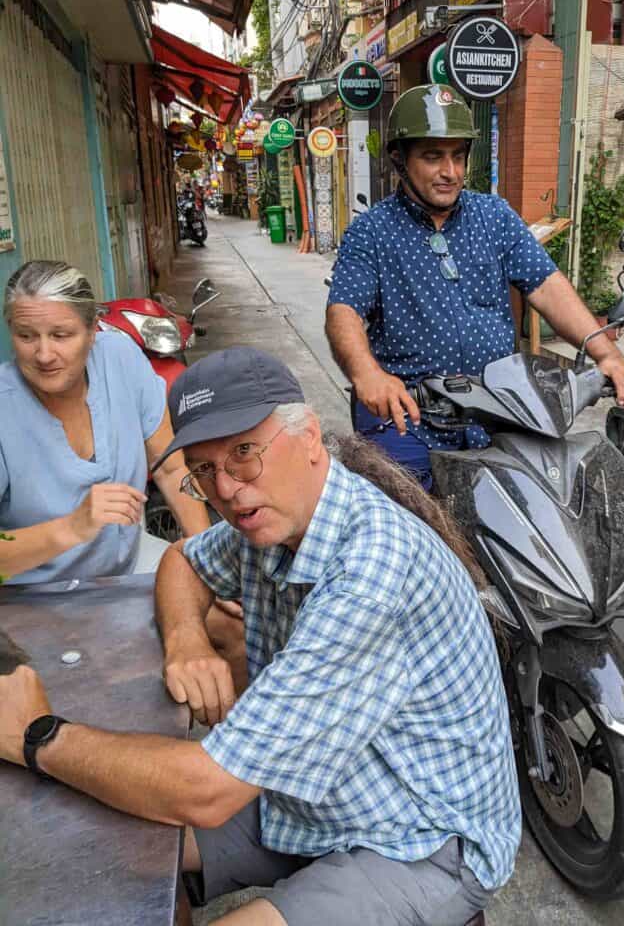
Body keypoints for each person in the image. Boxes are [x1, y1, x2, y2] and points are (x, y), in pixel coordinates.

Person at [0, 347, 520, 926]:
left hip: (420, 839)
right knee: (111, 844)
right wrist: (188, 642)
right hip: (321, 790)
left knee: (142, 809)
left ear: (310, 439)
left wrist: (37, 734)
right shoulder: (274, 519)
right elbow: (182, 561)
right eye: (204, 470)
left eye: (245, 453)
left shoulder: (372, 573)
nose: (227, 489)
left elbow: (207, 789)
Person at [325, 83, 624, 486]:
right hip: (407, 417)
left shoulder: (492, 215)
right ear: (399, 159)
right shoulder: (371, 231)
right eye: (433, 157)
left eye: (458, 156)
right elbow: (344, 311)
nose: (451, 172)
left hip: (498, 409)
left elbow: (546, 285)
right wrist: (366, 373)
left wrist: (606, 353)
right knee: (414, 530)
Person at [0, 260, 210, 583]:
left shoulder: (121, 358)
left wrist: (209, 560)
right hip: (28, 601)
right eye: (26, 336)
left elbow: (169, 467)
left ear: (92, 330)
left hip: (123, 573)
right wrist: (71, 527)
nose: (43, 354)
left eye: (61, 335)